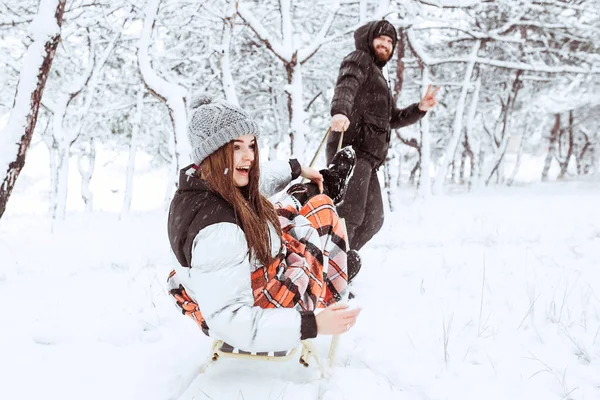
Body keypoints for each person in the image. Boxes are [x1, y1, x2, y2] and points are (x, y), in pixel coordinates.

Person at [166, 95, 361, 353]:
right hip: (260, 308)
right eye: (236, 147)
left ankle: (320, 186)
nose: (249, 157)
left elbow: (258, 178)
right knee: (320, 211)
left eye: (251, 145)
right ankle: (327, 275)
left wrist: (296, 168)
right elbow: (231, 321)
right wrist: (313, 324)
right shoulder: (220, 232)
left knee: (281, 210)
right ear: (213, 153)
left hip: (235, 276)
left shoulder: (204, 181)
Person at [327, 19, 439, 256]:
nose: (386, 44)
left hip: (368, 159)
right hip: (352, 151)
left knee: (374, 219)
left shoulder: (379, 77)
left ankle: (340, 267)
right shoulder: (359, 59)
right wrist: (339, 111)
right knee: (351, 215)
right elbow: (347, 85)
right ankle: (330, 272)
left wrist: (419, 108)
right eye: (381, 38)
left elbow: (392, 119)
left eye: (390, 41)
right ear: (369, 38)